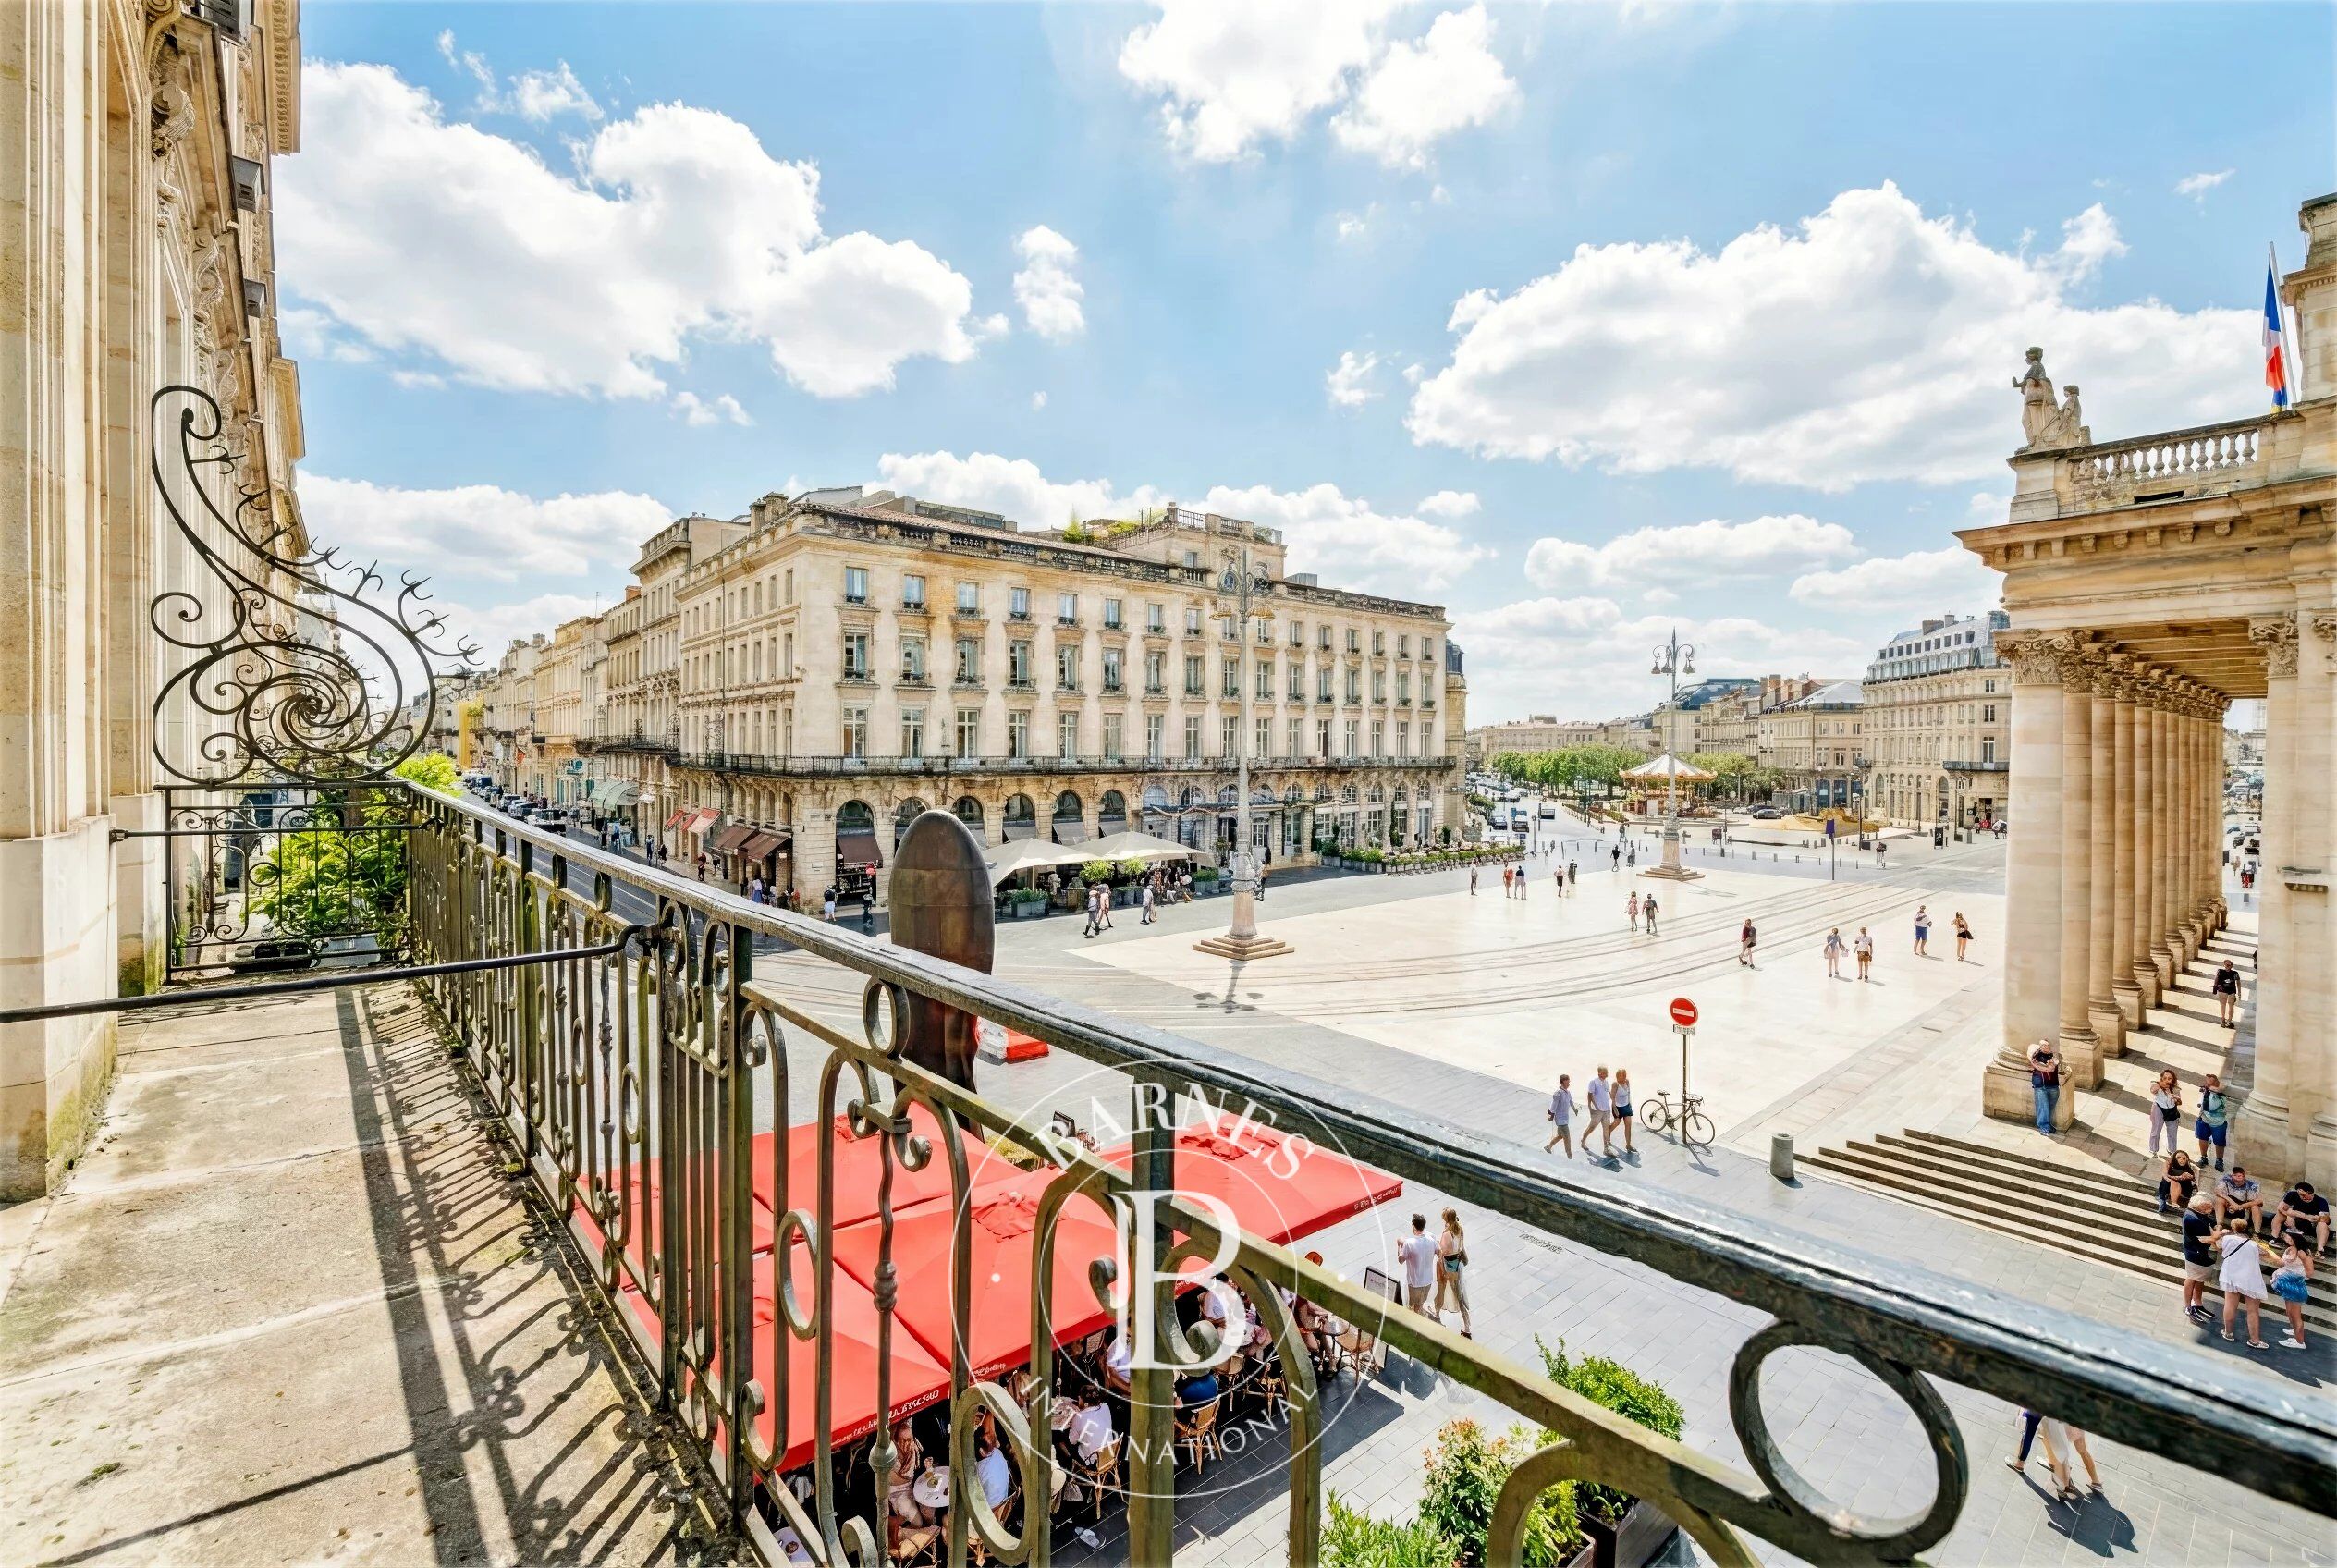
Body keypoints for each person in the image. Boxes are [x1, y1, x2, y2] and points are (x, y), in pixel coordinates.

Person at [2218, 1217, 2270, 1348]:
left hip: (2231, 1276)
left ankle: (2228, 1333)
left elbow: (2217, 1244)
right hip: (2249, 1279)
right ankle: (2255, 1340)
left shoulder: (2227, 1239)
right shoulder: (2254, 1244)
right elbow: (2265, 1254)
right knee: (2253, 1311)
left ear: (2233, 1228)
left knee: (2229, 1305)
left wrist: (2223, 1233)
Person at [1434, 1208, 1473, 1338]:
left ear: (1445, 1219)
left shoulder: (1446, 1234)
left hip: (1447, 1266)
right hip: (1457, 1265)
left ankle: (1437, 1314)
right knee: (1459, 1295)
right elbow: (1460, 1246)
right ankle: (1467, 1326)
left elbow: (1443, 1252)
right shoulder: (1459, 1229)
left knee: (1441, 1288)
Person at [2269, 1239, 2314, 1350]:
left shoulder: (2302, 1253)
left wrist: (2294, 1276)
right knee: (2290, 1313)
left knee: (2296, 1316)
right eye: (2285, 1236)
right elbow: (2282, 1263)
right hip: (2288, 1287)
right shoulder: (2289, 1249)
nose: (2286, 1238)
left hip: (2295, 1287)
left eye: (2289, 1236)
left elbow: (2309, 1273)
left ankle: (2299, 1342)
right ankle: (2295, 1332)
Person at [2180, 1194, 2217, 1318]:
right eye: (2208, 1207)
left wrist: (2215, 1226)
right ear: (2201, 1206)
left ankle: (2197, 1302)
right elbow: (2209, 1238)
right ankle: (2188, 1305)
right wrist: (2219, 1235)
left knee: (2199, 1279)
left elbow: (2209, 1220)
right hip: (2194, 1252)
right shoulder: (2193, 1219)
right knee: (2192, 1278)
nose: (2211, 1209)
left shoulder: (2195, 1214)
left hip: (2197, 1252)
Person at [1397, 1215, 1439, 1314]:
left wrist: (1399, 1244)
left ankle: (1413, 1326)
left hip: (1414, 1283)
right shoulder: (1431, 1240)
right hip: (1428, 1281)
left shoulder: (1409, 1243)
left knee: (1411, 1308)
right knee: (1419, 1305)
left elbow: (1400, 1260)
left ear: (1413, 1226)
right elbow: (1439, 1252)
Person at [2275, 1181, 2329, 1256]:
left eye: (2303, 1194)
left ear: (2311, 1193)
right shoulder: (2292, 1195)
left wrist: (2318, 1218)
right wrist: (2290, 1215)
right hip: (2295, 1222)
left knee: (2323, 1224)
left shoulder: (2321, 1201)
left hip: (2311, 1226)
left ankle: (2320, 1250)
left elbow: (2327, 1220)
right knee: (2285, 1215)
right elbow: (2281, 1208)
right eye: (2299, 1194)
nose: (2302, 1197)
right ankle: (2276, 1238)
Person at [974, 1426, 1014, 1516]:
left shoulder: (980, 1469)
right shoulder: (998, 1452)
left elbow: (974, 1493)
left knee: (945, 1518)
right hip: (1003, 1502)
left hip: (990, 1512)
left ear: (981, 1451)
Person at [2215, 1165, 2263, 1234]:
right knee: (2219, 1200)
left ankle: (2257, 1233)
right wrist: (2231, 1202)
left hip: (2245, 1207)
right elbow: (2217, 1191)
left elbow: (2260, 1201)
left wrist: (2240, 1206)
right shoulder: (2226, 1179)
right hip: (2230, 1203)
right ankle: (2219, 1226)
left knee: (2256, 1207)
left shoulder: (2253, 1185)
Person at [2196, 1074, 2231, 1170]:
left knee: (2219, 1143)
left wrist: (2215, 1089)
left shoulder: (2221, 1092)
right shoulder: (2206, 1090)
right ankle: (2203, 1157)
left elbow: (2212, 1107)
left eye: (2209, 1083)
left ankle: (2219, 1161)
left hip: (2218, 1123)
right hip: (2204, 1120)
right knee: (2202, 1138)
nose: (2206, 1084)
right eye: (2206, 1082)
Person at [2027, 1040, 2062, 1134]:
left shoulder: (2054, 1056)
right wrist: (2041, 1065)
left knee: (2049, 1107)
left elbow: (2052, 1067)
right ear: (2040, 1047)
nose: (2045, 1047)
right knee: (2043, 1107)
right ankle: (2044, 1128)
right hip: (2040, 1085)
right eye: (2043, 1045)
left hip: (2054, 1085)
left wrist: (2049, 1063)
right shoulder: (2036, 1056)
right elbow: (2046, 1067)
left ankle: (2047, 1125)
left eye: (2047, 1045)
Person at [2147, 1071, 2184, 1159]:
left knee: (2172, 1132)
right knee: (2156, 1130)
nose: (2167, 1080)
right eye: (2165, 1078)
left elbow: (2179, 1102)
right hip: (2158, 1108)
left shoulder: (2175, 1089)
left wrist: (2177, 1099)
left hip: (2171, 1111)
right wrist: (2160, 1085)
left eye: (2169, 1078)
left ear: (2173, 1079)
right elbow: (2152, 1090)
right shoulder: (2156, 1085)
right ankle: (2153, 1150)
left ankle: (2172, 1150)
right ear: (2161, 1078)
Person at [1585, 1067, 1616, 1159]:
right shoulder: (1593, 1082)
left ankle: (1606, 1148)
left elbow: (1607, 1092)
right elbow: (1590, 1095)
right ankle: (1583, 1139)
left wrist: (1611, 1097)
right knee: (1592, 1127)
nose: (1606, 1074)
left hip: (1606, 1110)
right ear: (1599, 1073)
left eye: (1607, 1072)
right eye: (1604, 1073)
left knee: (1606, 1128)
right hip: (1598, 1111)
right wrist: (1591, 1107)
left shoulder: (1606, 1082)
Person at [2157, 1149, 2199, 1215]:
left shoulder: (2191, 1169)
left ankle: (2173, 1202)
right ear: (2174, 1158)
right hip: (2171, 1185)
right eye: (2178, 1157)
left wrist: (2173, 1179)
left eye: (2184, 1158)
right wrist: (2172, 1180)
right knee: (2165, 1180)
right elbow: (2164, 1175)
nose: (2181, 1160)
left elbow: (2193, 1182)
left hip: (2185, 1190)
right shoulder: (2169, 1163)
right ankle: (2162, 1200)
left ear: (2187, 1160)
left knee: (2174, 1181)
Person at [1544, 1075, 1576, 1158]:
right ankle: (1570, 1157)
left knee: (1561, 1136)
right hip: (1560, 1120)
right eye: (1567, 1082)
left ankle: (1548, 1147)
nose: (1569, 1083)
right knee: (1567, 1139)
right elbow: (1554, 1105)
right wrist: (1551, 1115)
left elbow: (1571, 1102)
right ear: (1562, 1082)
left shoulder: (1568, 1093)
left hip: (1565, 1119)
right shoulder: (1558, 1093)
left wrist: (1575, 1109)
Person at [1611, 1068, 1635, 1155]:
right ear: (1618, 1076)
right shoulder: (1615, 1084)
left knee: (1628, 1125)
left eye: (1625, 1075)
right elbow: (1612, 1097)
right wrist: (1615, 1109)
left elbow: (1629, 1093)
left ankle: (1628, 1145)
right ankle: (1608, 1133)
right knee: (1616, 1123)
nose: (1624, 1077)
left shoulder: (1627, 1081)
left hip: (1626, 1106)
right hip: (1617, 1107)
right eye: (1622, 1075)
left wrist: (1630, 1104)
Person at [2212, 959, 2242, 1028]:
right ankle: (2228, 1021)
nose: (2227, 966)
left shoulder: (2220, 971)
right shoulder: (2235, 973)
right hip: (2227, 991)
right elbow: (2238, 983)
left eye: (2228, 965)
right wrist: (2239, 993)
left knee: (2224, 1005)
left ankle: (2223, 1020)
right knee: (2230, 1006)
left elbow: (2216, 979)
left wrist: (2215, 988)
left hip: (2225, 991)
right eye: (2226, 965)